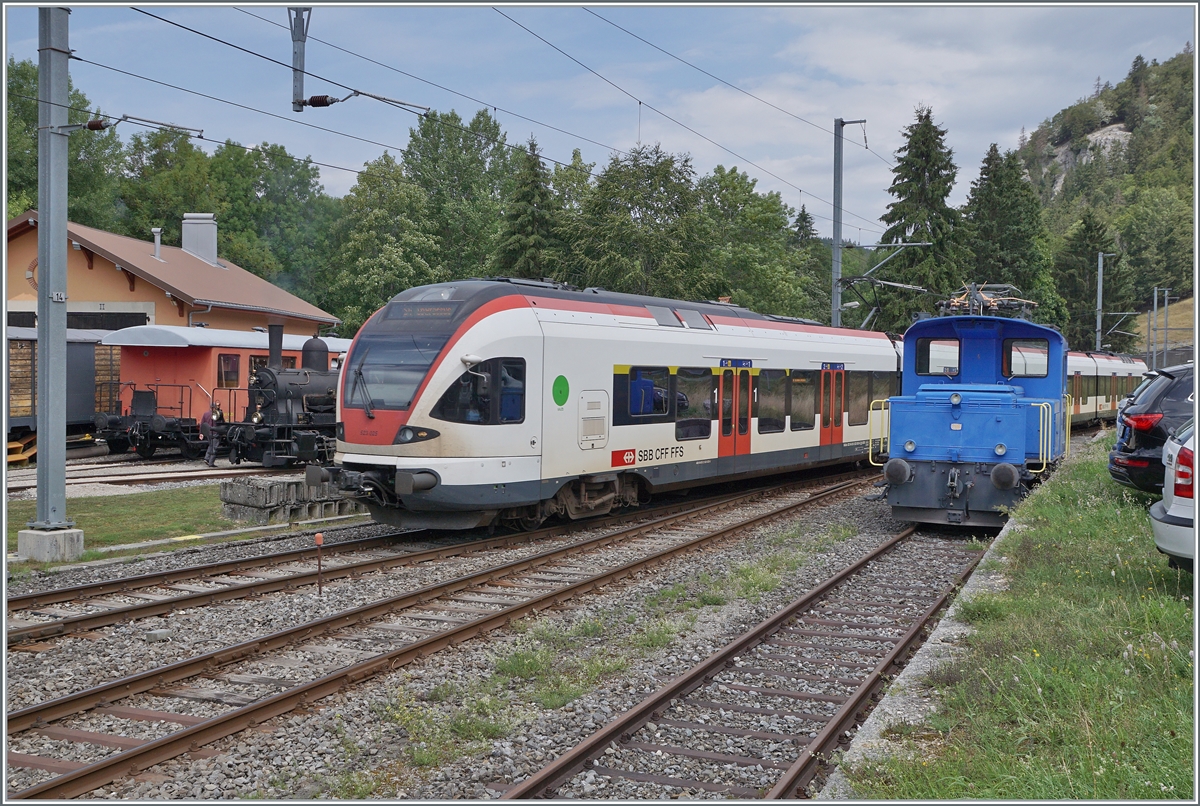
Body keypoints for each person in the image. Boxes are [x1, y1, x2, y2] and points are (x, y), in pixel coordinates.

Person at [200, 401, 224, 467]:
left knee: (210, 445)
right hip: (215, 432)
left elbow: (202, 424)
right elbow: (222, 423)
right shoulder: (217, 414)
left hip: (208, 433)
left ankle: (206, 458)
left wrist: (201, 433)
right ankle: (211, 463)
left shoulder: (206, 414)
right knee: (215, 447)